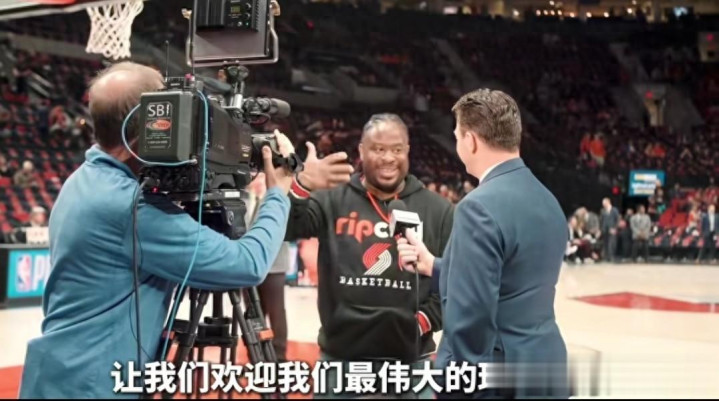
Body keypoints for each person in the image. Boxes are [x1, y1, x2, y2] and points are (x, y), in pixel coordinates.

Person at [17, 62, 307, 398]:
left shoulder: (86, 179)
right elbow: (248, 264)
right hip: (91, 386)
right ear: (145, 128)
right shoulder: (128, 206)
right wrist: (278, 193)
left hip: (65, 377)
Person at [397, 89, 569, 399]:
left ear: (471, 140)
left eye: (457, 136)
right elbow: (512, 282)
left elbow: (471, 320)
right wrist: (434, 266)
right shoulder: (548, 200)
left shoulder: (478, 207)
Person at [286, 113, 454, 398]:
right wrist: (301, 185)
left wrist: (423, 321)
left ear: (408, 150)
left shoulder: (439, 210)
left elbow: (457, 280)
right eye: (378, 149)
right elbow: (288, 228)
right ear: (361, 151)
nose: (389, 158)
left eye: (397, 149)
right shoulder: (333, 197)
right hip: (340, 360)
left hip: (411, 363)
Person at [600, 197, 620, 262]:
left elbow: (617, 220)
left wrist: (615, 228)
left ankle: (611, 257)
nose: (603, 205)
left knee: (612, 243)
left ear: (608, 202)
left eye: (604, 203)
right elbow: (601, 220)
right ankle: (606, 257)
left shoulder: (614, 210)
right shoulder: (602, 211)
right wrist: (601, 229)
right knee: (605, 243)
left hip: (612, 229)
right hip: (605, 229)